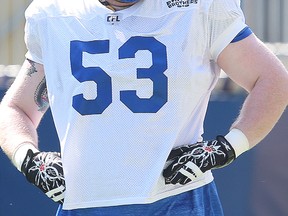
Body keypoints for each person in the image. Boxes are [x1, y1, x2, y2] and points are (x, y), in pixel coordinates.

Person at [0, 0, 288, 215]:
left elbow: (273, 81)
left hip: (176, 200)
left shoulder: (197, 8)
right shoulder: (52, 13)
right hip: (84, 203)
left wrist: (226, 147)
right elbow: (17, 108)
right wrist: (29, 159)